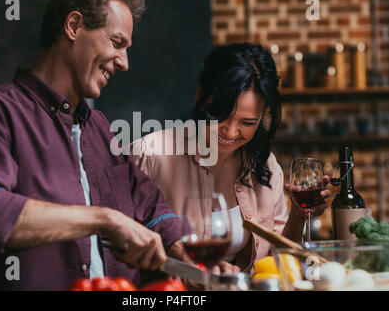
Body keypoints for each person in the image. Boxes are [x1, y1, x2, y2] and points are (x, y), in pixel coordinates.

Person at [0, 0, 185, 291]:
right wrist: (103, 219)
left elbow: (151, 207)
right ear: (73, 25)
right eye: (117, 42)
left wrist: (184, 251)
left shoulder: (101, 129)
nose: (125, 62)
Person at [131, 43, 331, 273]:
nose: (230, 132)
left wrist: (297, 216)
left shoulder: (264, 165)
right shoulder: (149, 155)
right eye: (220, 116)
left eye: (248, 123)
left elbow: (279, 263)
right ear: (200, 97)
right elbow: (113, 248)